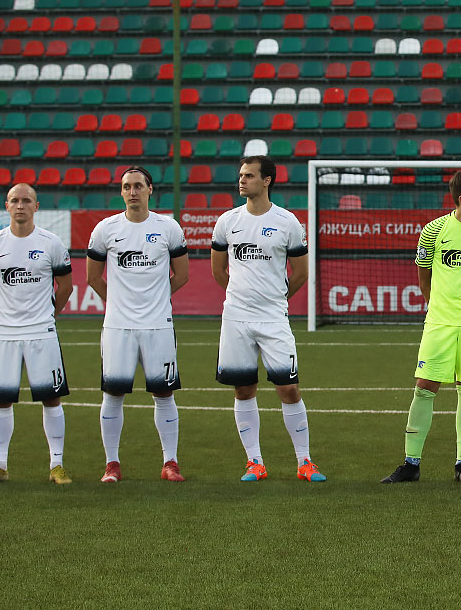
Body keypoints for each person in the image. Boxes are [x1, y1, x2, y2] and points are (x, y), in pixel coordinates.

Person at [381, 170, 461, 485]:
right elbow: (423, 275)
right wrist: (438, 306)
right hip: (439, 320)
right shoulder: (433, 231)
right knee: (425, 386)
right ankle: (411, 464)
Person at [211, 156, 325, 483]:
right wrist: (242, 298)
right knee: (243, 389)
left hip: (273, 318)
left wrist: (275, 299)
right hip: (236, 318)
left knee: (288, 388)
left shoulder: (288, 222)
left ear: (267, 180)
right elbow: (218, 269)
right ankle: (254, 462)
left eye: (249, 175)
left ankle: (304, 462)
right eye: (241, 175)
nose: (242, 180)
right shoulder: (227, 221)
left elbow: (300, 272)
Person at [86, 166, 189, 483]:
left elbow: (182, 275)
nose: (132, 192)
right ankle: (112, 464)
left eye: (138, 186)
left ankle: (170, 462)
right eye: (127, 186)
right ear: (121, 192)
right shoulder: (105, 229)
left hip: (159, 326)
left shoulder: (168, 227)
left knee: (164, 394)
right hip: (118, 327)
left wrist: (157, 300)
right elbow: (93, 277)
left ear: (150, 189)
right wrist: (119, 303)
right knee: (113, 395)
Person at [0, 184, 75, 485]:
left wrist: (48, 315)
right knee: (1, 400)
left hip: (41, 331)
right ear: (7, 205)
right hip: (4, 332)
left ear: (36, 206)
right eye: (15, 200)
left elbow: (66, 286)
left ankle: (57, 465)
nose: (21, 205)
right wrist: (4, 313)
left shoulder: (51, 243)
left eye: (26, 200)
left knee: (51, 398)